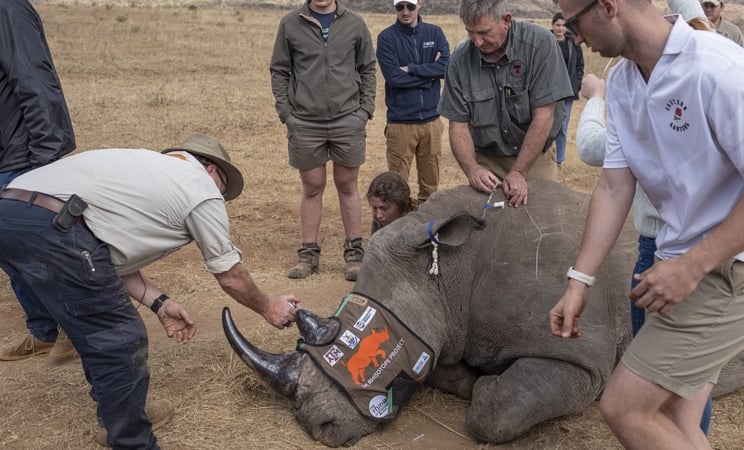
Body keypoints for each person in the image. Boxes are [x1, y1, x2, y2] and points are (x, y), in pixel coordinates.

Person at [549, 0, 744, 448]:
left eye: (573, 21)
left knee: (624, 405)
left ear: (608, 7)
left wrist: (692, 266)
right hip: (683, 264)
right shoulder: (625, 82)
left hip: (741, 267)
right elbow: (613, 186)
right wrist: (579, 279)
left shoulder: (718, 71)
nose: (575, 36)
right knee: (672, 418)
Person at [0, 133, 300, 448]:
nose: (222, 200)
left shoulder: (146, 171)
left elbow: (101, 257)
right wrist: (269, 307)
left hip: (11, 213)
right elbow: (230, 276)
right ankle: (132, 440)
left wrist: (159, 303)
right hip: (55, 226)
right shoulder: (199, 187)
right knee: (118, 338)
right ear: (211, 169)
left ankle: (122, 414)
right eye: (224, 191)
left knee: (90, 323)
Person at [576, 73, 714, 435]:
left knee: (661, 371)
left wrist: (597, 96)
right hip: (699, 243)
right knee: (689, 373)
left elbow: (592, 147)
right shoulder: (699, 101)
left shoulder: (654, 113)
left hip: (662, 246)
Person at [271, 0, 377, 282]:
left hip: (347, 119)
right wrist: (287, 114)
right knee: (312, 186)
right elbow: (280, 70)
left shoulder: (354, 24)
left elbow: (367, 68)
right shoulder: (290, 24)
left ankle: (354, 253)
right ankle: (308, 254)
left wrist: (364, 111)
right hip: (305, 121)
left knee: (347, 184)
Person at [439, 0, 574, 209]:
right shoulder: (459, 60)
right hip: (487, 160)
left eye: (483, 32)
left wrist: (519, 172)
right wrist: (472, 169)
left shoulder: (540, 44)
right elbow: (458, 125)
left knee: (542, 222)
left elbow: (545, 114)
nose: (477, 42)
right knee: (486, 227)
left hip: (534, 157)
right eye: (470, 33)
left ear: (506, 21)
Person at [0, 0, 77, 362]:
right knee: (9, 254)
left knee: (41, 251)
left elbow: (35, 82)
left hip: (19, 159)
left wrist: (45, 166)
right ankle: (43, 330)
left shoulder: (7, 8)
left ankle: (76, 331)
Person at [376, 0, 449, 207]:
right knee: (396, 187)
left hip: (432, 122)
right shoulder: (387, 38)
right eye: (400, 7)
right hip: (401, 124)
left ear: (420, 4)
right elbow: (394, 79)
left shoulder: (435, 33)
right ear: (394, 8)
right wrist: (430, 73)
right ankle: (395, 229)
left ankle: (427, 230)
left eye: (410, 6)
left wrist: (411, 69)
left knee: (431, 186)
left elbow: (445, 68)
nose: (405, 12)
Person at [551, 12, 584, 167]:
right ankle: (546, 158)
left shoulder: (573, 44)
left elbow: (579, 66)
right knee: (546, 125)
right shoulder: (546, 41)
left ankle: (560, 159)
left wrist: (576, 84)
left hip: (567, 92)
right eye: (557, 25)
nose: (560, 28)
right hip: (548, 91)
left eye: (563, 25)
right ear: (552, 26)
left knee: (562, 127)